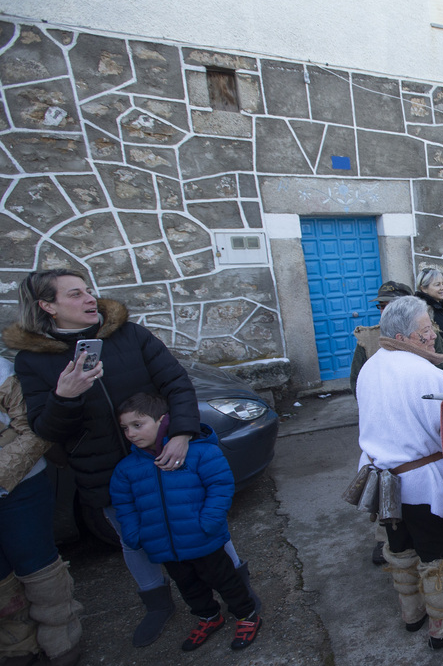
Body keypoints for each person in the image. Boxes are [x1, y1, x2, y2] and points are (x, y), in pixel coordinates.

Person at [4, 269, 256, 647]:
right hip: (106, 472)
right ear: (48, 306)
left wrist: (183, 434)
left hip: (171, 458)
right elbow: (46, 430)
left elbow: (176, 383)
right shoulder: (32, 361)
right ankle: (160, 603)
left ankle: (242, 591)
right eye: (76, 294)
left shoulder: (129, 335)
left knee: (205, 526)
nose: (90, 299)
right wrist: (66, 395)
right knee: (135, 539)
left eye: (89, 290)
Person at [356, 296, 443, 650]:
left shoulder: (370, 366)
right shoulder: (430, 375)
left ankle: (411, 614)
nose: (432, 335)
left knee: (399, 546)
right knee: (434, 553)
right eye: (427, 329)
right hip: (419, 484)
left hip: (380, 480)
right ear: (406, 335)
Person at [110, 393, 262, 652]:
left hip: (203, 538)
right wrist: (136, 534)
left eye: (138, 424)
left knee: (226, 580)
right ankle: (209, 617)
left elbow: (220, 486)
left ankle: (247, 615)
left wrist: (209, 522)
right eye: (125, 428)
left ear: (162, 420)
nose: (131, 434)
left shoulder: (200, 452)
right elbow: (124, 505)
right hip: (163, 545)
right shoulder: (127, 468)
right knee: (189, 587)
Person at [0, 356, 83, 666]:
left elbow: (35, 428)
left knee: (35, 562)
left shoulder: (3, 371)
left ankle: (61, 635)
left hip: (19, 485)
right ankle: (18, 645)